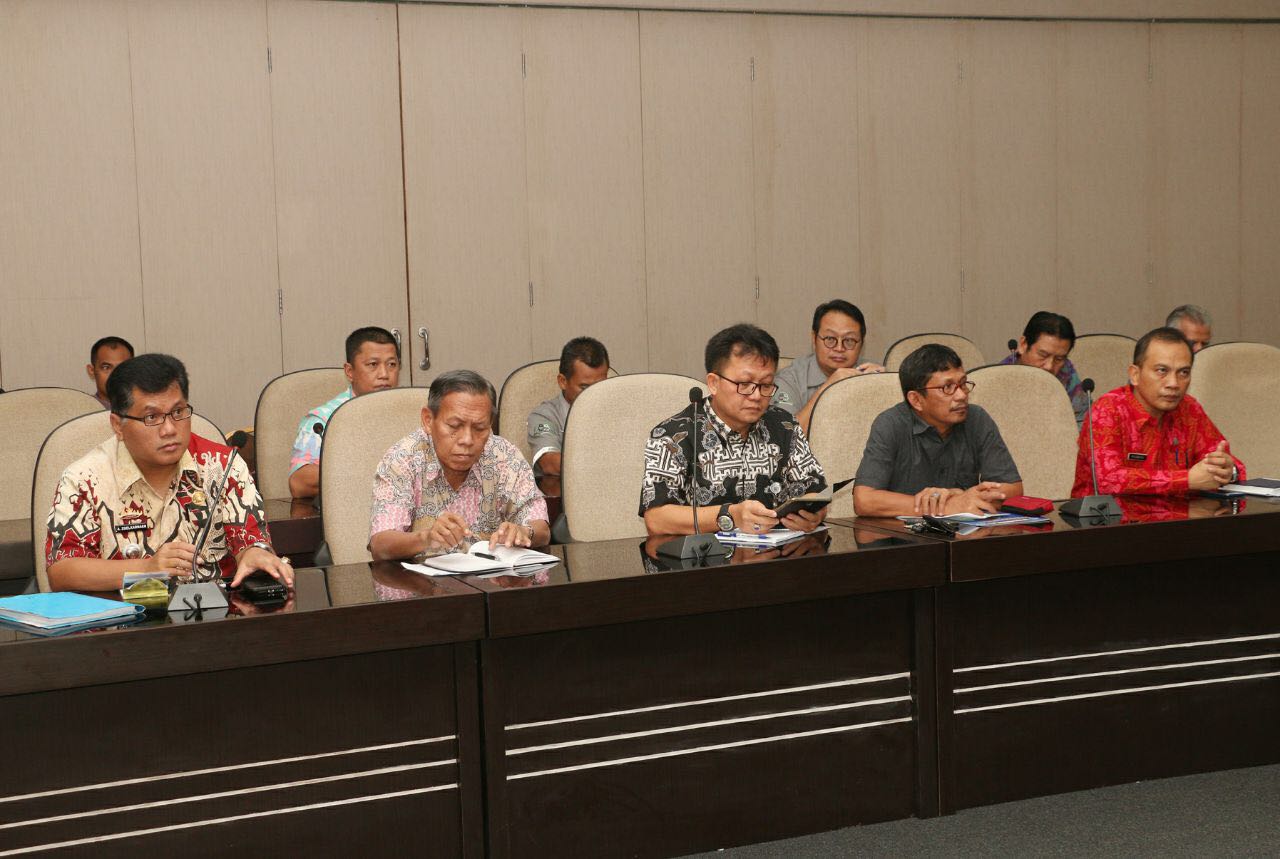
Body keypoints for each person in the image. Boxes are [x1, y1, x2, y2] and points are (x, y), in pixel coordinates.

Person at [45, 354, 291, 592]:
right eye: (151, 417)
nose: (170, 429)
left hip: (217, 612)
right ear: (118, 425)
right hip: (125, 615)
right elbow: (62, 571)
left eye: (178, 412)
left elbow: (251, 540)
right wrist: (146, 569)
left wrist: (255, 553)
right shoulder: (85, 479)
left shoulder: (223, 465)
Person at [640, 323, 827, 537]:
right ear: (713, 383)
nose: (756, 396)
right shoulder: (672, 436)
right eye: (744, 384)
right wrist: (729, 516)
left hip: (778, 553)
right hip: (704, 555)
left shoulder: (784, 425)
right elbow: (656, 519)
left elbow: (815, 491)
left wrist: (815, 514)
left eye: (766, 385)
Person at [369, 370, 549, 560]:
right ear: (428, 420)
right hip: (419, 576)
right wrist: (426, 538)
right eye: (455, 426)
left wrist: (524, 532)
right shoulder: (403, 460)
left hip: (493, 575)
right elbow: (380, 544)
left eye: (480, 428)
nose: (467, 440)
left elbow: (543, 530)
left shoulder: (504, 456)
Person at [853, 343, 1023, 517]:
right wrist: (945, 506)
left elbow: (1013, 489)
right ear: (916, 400)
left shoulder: (977, 419)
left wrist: (961, 497)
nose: (962, 395)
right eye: (947, 387)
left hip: (963, 531)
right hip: (900, 532)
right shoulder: (891, 424)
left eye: (963, 384)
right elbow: (864, 500)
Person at [1071, 327, 1243, 498]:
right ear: (1135, 374)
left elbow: (1228, 462)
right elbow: (1109, 480)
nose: (1173, 383)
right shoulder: (1107, 411)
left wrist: (1229, 471)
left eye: (1183, 372)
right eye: (1162, 371)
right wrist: (1187, 480)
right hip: (1112, 515)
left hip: (1181, 513)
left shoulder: (1189, 409)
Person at [288, 326, 401, 498]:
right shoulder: (324, 420)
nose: (384, 374)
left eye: (392, 364)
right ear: (350, 372)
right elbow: (299, 483)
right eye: (373, 365)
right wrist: (364, 471)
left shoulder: (413, 413)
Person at [771, 299, 885, 434]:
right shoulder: (789, 380)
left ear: (861, 343)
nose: (839, 348)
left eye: (849, 340)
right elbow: (786, 438)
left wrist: (884, 388)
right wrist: (828, 387)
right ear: (814, 339)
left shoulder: (872, 375)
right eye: (830, 339)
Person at [527, 336, 610, 478]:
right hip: (565, 490)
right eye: (585, 387)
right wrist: (608, 462)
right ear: (563, 381)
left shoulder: (617, 410)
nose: (594, 393)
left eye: (600, 385)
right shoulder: (545, 416)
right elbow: (550, 464)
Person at [1001, 311, 1089, 427]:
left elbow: (1083, 421)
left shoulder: (1066, 372)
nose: (1049, 366)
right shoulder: (1000, 379)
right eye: (1043, 355)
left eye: (1058, 359)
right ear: (1023, 345)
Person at [86, 336, 134, 409]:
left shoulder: (146, 409)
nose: (115, 375)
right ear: (92, 371)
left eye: (123, 367)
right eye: (106, 367)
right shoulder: (82, 412)